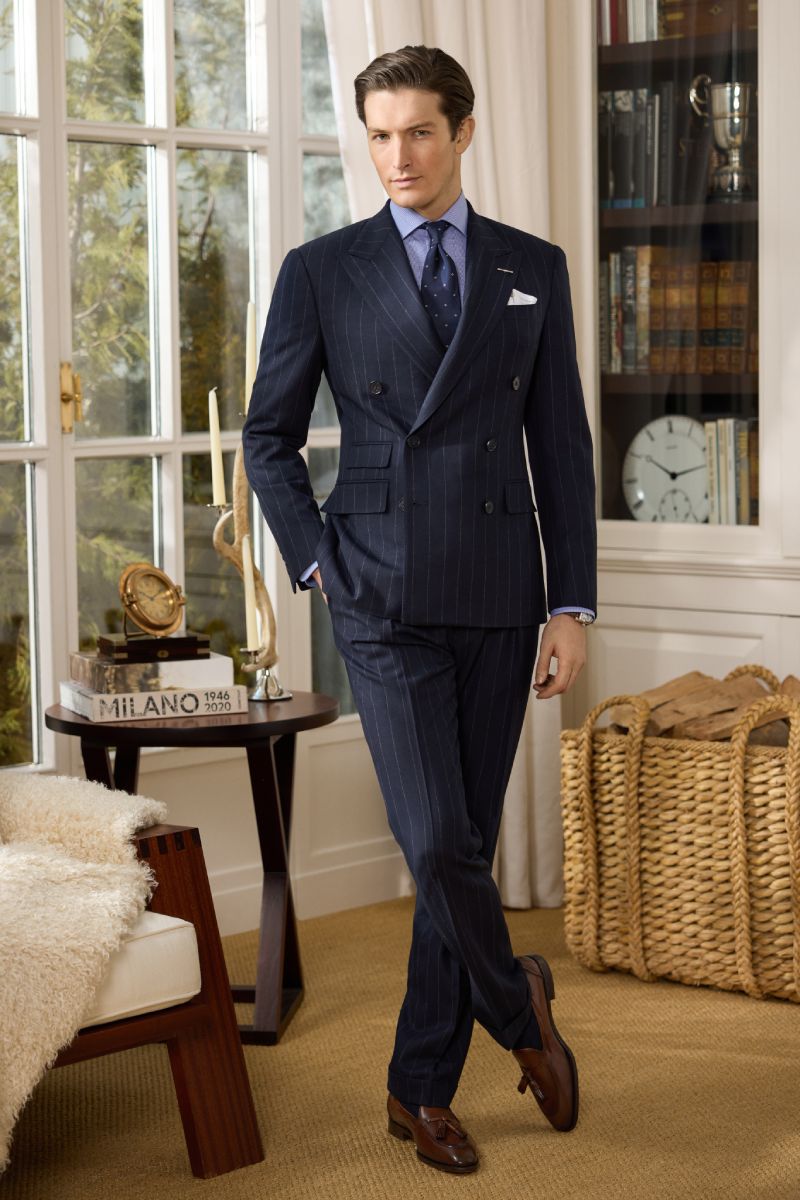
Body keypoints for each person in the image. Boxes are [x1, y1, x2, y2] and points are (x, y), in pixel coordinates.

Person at [243, 44, 597, 1176]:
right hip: (378, 591)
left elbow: (562, 445)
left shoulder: (531, 265)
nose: (396, 156)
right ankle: (519, 1006)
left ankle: (418, 1088)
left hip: (499, 589)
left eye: (419, 133)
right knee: (437, 840)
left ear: (462, 132)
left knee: (464, 848)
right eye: (379, 135)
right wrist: (318, 564)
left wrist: (569, 605)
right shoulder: (322, 269)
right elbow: (267, 437)